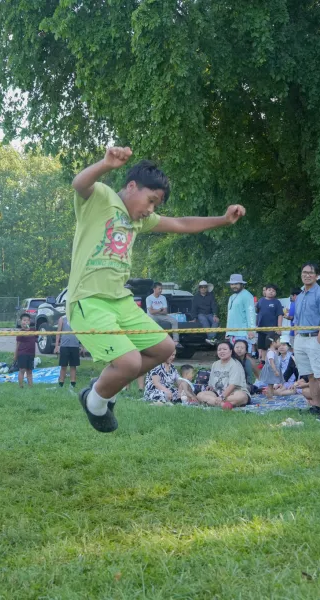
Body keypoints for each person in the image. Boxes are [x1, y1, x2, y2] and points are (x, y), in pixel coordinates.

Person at [68, 146, 245, 432]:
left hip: (120, 301)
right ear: (131, 186)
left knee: (164, 348)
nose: (151, 209)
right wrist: (105, 164)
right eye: (150, 200)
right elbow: (79, 183)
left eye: (156, 205)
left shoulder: (139, 220)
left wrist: (222, 220)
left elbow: (181, 223)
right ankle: (95, 401)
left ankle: (102, 387)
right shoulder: (101, 198)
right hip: (88, 300)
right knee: (129, 363)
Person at [294, 262, 320, 421]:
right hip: (301, 339)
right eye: (304, 272)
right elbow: (297, 320)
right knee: (310, 375)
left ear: (317, 276)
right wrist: (297, 335)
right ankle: (316, 406)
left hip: (315, 338)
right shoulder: (300, 296)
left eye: (311, 273)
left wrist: (318, 340)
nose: (307, 275)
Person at [197, 340, 250, 408]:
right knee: (200, 395)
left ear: (231, 351)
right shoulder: (215, 364)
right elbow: (212, 383)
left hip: (234, 392)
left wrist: (222, 397)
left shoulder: (235, 364)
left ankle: (214, 402)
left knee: (241, 396)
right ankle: (224, 405)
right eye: (219, 350)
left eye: (225, 349)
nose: (222, 351)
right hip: (218, 393)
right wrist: (210, 387)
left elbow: (233, 385)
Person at [225, 274, 256, 354]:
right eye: (232, 284)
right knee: (234, 356)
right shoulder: (231, 297)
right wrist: (227, 332)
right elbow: (230, 316)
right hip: (232, 333)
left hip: (243, 333)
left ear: (242, 284)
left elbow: (251, 314)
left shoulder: (247, 295)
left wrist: (251, 330)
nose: (233, 286)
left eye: (236, 284)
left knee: (244, 356)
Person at [146, 282, 181, 347]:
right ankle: (154, 342)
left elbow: (165, 311)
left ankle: (175, 341)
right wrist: (160, 309)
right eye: (159, 289)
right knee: (153, 323)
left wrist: (156, 310)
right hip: (152, 316)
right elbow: (151, 312)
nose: (160, 290)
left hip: (162, 315)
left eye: (161, 289)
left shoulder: (163, 298)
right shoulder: (149, 298)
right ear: (154, 289)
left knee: (174, 321)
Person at [255, 284, 284, 361]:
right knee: (263, 347)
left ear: (275, 293)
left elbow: (280, 315)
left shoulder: (277, 302)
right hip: (261, 329)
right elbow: (257, 313)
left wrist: (279, 328)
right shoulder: (261, 300)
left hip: (273, 330)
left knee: (273, 346)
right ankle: (263, 362)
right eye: (269, 290)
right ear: (265, 291)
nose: (271, 292)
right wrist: (256, 325)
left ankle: (275, 361)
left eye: (273, 291)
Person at [54, 315, 80, 388]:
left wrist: (83, 347)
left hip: (75, 346)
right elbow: (58, 332)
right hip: (64, 346)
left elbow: (81, 333)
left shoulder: (77, 318)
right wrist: (56, 346)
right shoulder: (62, 319)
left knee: (73, 366)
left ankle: (73, 384)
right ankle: (61, 383)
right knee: (63, 366)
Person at [191, 280, 219, 345]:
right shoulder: (195, 297)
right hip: (201, 314)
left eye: (205, 287)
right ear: (199, 288)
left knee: (216, 321)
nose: (203, 288)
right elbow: (194, 308)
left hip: (210, 314)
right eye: (201, 287)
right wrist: (194, 318)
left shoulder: (211, 296)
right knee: (204, 320)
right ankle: (212, 338)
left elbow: (214, 305)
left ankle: (210, 338)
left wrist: (215, 315)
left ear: (207, 288)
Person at [14, 314, 38, 388]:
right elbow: (17, 344)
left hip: (31, 354)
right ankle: (21, 386)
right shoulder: (21, 332)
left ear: (29, 322)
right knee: (22, 370)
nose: (26, 322)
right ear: (21, 322)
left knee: (29, 371)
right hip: (22, 353)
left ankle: (31, 386)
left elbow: (37, 339)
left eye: (27, 320)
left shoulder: (33, 330)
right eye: (24, 320)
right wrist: (15, 355)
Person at [259, 334, 284, 398]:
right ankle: (269, 397)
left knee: (272, 385)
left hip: (273, 370)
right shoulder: (270, 352)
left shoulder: (274, 351)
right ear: (273, 342)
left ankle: (271, 396)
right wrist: (275, 371)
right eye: (278, 341)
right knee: (270, 386)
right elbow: (271, 362)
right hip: (271, 371)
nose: (280, 342)